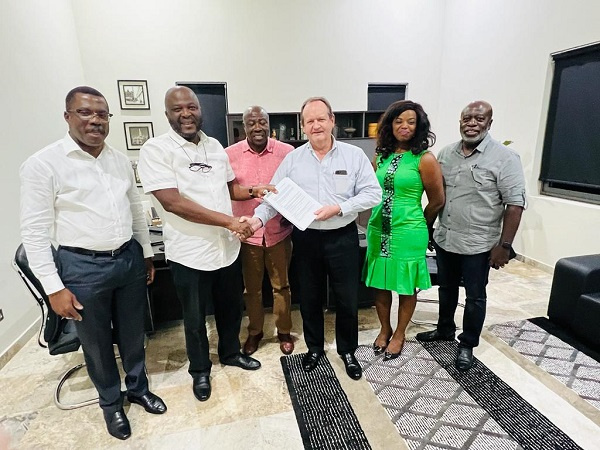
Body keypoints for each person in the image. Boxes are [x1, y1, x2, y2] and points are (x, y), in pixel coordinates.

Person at [20, 86, 166, 441]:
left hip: (127, 259)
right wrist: (54, 288)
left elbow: (134, 207)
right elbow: (35, 233)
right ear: (68, 116)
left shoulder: (117, 160)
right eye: (86, 113)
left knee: (134, 333)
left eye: (102, 114)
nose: (95, 120)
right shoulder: (43, 164)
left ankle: (137, 387)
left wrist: (145, 252)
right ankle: (111, 404)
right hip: (81, 267)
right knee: (97, 342)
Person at [137, 86, 272, 402]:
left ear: (200, 110)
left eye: (191, 107)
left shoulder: (214, 147)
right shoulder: (156, 150)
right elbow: (173, 203)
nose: (186, 114)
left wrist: (254, 190)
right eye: (177, 109)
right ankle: (199, 370)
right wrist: (228, 222)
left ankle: (230, 353)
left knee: (230, 309)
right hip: (190, 252)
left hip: (226, 249)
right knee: (195, 319)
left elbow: (230, 190)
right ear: (167, 114)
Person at [245, 97, 382, 380]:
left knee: (346, 298)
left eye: (321, 119)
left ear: (332, 121)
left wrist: (340, 208)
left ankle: (347, 350)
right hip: (306, 239)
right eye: (310, 121)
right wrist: (257, 220)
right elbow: (274, 199)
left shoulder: (353, 156)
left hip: (342, 237)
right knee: (309, 297)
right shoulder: (292, 160)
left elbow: (373, 194)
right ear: (303, 127)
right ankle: (315, 348)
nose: (316, 125)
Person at [416, 101, 526, 371]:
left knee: (475, 296)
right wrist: (429, 228)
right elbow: (437, 196)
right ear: (460, 122)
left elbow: (515, 205)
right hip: (446, 239)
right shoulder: (445, 154)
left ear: (489, 123)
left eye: (479, 118)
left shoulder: (505, 158)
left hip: (479, 244)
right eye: (467, 118)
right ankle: (444, 329)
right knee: (446, 288)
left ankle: (467, 343)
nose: (472, 123)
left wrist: (505, 245)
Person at [363, 100, 445, 361]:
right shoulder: (381, 156)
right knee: (380, 284)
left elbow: (437, 200)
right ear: (390, 125)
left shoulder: (425, 159)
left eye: (411, 121)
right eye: (398, 121)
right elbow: (371, 190)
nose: (404, 126)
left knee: (406, 286)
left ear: (419, 126)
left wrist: (420, 222)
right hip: (378, 229)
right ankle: (384, 329)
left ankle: (399, 334)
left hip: (409, 231)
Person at [225, 106, 295, 356]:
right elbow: (231, 191)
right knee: (251, 289)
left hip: (279, 233)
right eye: (252, 123)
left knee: (281, 286)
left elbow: (293, 188)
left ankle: (284, 331)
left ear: (269, 124)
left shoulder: (287, 152)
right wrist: (256, 190)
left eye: (262, 122)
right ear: (244, 127)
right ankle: (255, 332)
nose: (257, 127)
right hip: (247, 235)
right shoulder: (229, 154)